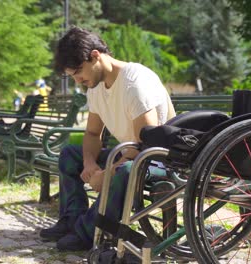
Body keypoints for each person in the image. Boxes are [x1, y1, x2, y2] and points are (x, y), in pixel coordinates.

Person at [38, 27, 176, 251]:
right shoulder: (95, 86)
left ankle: (88, 232)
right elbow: (93, 133)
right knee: (69, 155)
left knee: (126, 170)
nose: (78, 80)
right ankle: (72, 220)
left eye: (79, 72)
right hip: (129, 155)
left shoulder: (134, 83)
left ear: (95, 56)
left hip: (159, 160)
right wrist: (90, 163)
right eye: (73, 76)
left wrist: (107, 174)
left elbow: (147, 144)